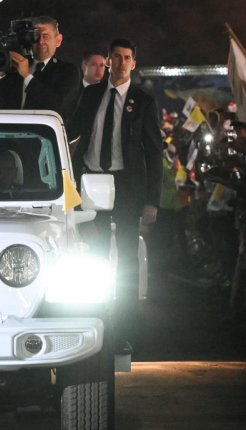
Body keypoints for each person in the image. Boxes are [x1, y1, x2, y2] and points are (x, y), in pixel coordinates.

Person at [64, 38, 163, 355]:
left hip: (127, 186)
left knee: (127, 262)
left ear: (134, 62)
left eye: (127, 58)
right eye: (116, 57)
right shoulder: (91, 94)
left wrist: (152, 200)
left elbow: (154, 152)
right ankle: (93, 325)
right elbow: (71, 136)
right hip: (91, 182)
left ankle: (123, 332)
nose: (121, 63)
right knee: (91, 254)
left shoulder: (144, 102)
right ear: (107, 61)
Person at [0, 16, 77, 115]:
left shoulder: (68, 71)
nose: (40, 41)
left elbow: (57, 104)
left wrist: (27, 76)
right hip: (13, 129)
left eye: (45, 36)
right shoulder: (16, 66)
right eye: (36, 36)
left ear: (58, 40)